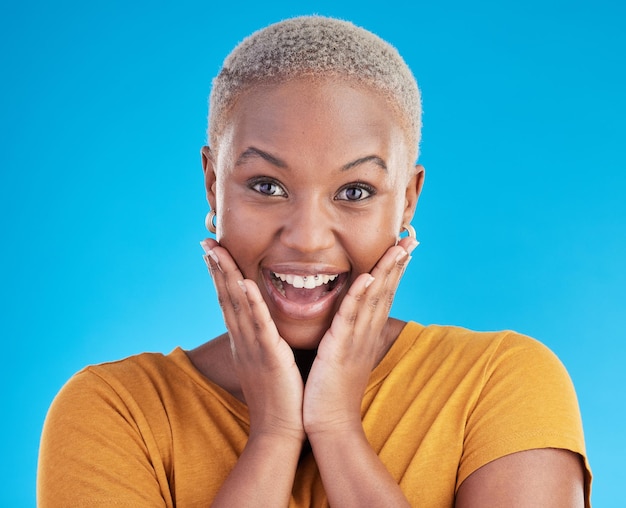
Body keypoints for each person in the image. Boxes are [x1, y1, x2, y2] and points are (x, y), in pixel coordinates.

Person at [38, 16, 592, 507]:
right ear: (212, 185)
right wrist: (274, 434)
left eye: (354, 191)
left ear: (407, 199)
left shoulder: (501, 382)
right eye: (266, 185)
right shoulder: (115, 411)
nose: (306, 238)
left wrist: (337, 429)